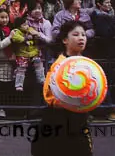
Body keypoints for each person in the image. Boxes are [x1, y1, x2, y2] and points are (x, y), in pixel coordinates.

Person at [31, 21, 93, 156]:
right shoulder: (58, 66)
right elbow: (49, 97)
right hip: (57, 121)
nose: (81, 38)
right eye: (75, 34)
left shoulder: (89, 66)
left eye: (83, 35)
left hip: (79, 120)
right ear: (65, 40)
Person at [11, 16, 45, 92]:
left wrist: (35, 35)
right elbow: (15, 37)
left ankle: (42, 79)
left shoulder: (30, 30)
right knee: (21, 68)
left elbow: (37, 34)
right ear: (19, 26)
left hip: (33, 52)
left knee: (38, 63)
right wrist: (25, 38)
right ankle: (19, 85)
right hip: (22, 54)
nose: (26, 26)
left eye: (27, 24)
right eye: (24, 25)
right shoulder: (16, 31)